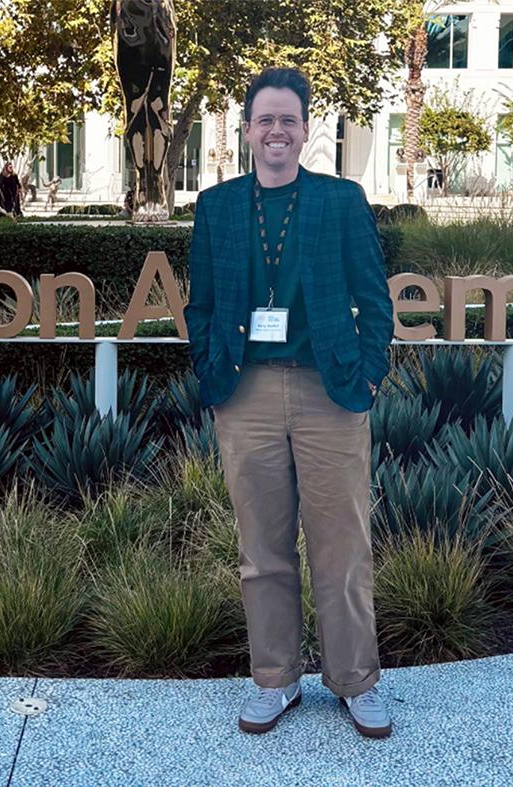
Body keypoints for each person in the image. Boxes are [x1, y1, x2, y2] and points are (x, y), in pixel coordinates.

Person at [183, 67, 394, 739]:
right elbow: (202, 305)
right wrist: (211, 372)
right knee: (262, 548)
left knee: (342, 545)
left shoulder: (338, 199)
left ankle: (356, 681)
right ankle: (275, 681)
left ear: (305, 130)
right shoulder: (217, 206)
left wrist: (368, 377)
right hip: (244, 394)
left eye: (289, 120)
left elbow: (376, 298)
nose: (277, 131)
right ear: (247, 130)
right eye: (265, 120)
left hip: (327, 390)